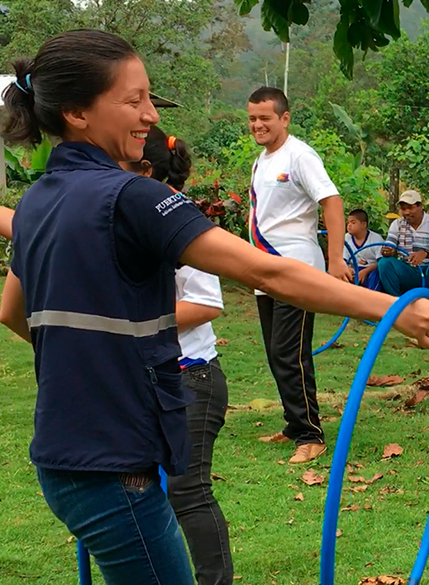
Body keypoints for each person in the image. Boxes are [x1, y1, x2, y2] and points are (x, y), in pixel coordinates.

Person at [0, 30, 429, 585]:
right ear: (75, 112)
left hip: (60, 458)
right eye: (133, 100)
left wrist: (87, 358)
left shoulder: (37, 199)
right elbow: (266, 270)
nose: (148, 115)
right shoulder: (133, 196)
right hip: (116, 464)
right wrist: (391, 310)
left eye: (149, 99)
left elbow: (13, 311)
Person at [122, 126, 234, 585]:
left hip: (191, 377)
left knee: (187, 491)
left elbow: (208, 302)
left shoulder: (179, 219)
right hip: (141, 376)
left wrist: (137, 320)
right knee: (136, 488)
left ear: (145, 169)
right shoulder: (126, 214)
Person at [247, 86, 350, 464]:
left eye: (265, 118)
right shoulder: (261, 160)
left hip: (296, 267)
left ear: (285, 118)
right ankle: (294, 424)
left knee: (289, 353)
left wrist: (335, 259)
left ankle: (311, 435)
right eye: (253, 118)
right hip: (266, 270)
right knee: (277, 354)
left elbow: (332, 201)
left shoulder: (301, 155)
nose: (257, 125)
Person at [379, 190, 429, 298]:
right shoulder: (397, 224)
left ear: (420, 206)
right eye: (403, 209)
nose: (407, 212)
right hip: (407, 270)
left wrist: (425, 253)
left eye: (410, 208)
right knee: (384, 263)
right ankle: (397, 302)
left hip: (428, 271)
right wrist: (387, 251)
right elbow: (389, 245)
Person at [344, 208, 383, 290]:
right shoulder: (346, 238)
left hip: (370, 270)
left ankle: (373, 298)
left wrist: (366, 271)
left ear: (363, 225)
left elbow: (381, 262)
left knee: (376, 276)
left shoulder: (376, 239)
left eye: (353, 222)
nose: (349, 225)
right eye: (348, 223)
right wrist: (348, 268)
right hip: (354, 270)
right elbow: (343, 259)